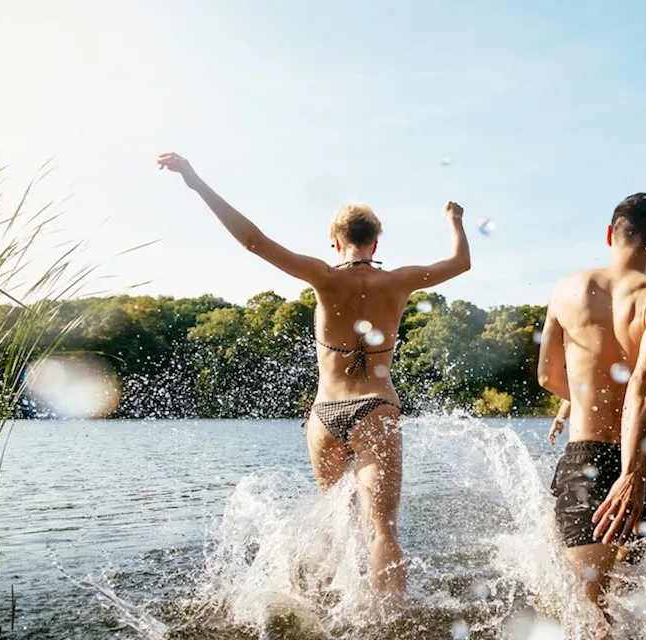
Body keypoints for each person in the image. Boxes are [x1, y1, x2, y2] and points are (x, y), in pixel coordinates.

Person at [157, 152, 471, 603]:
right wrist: (454, 220)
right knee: (380, 528)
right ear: (376, 243)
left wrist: (195, 181)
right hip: (376, 408)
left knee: (334, 521)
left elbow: (252, 241)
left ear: (334, 241)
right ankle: (392, 624)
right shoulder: (399, 281)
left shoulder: (323, 276)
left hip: (325, 414)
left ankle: (323, 613)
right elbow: (461, 263)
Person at [536, 192, 646, 616]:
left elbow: (547, 376)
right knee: (628, 597)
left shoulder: (565, 290)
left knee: (589, 605)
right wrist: (631, 472)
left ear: (610, 234)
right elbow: (644, 379)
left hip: (584, 454)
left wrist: (587, 402)